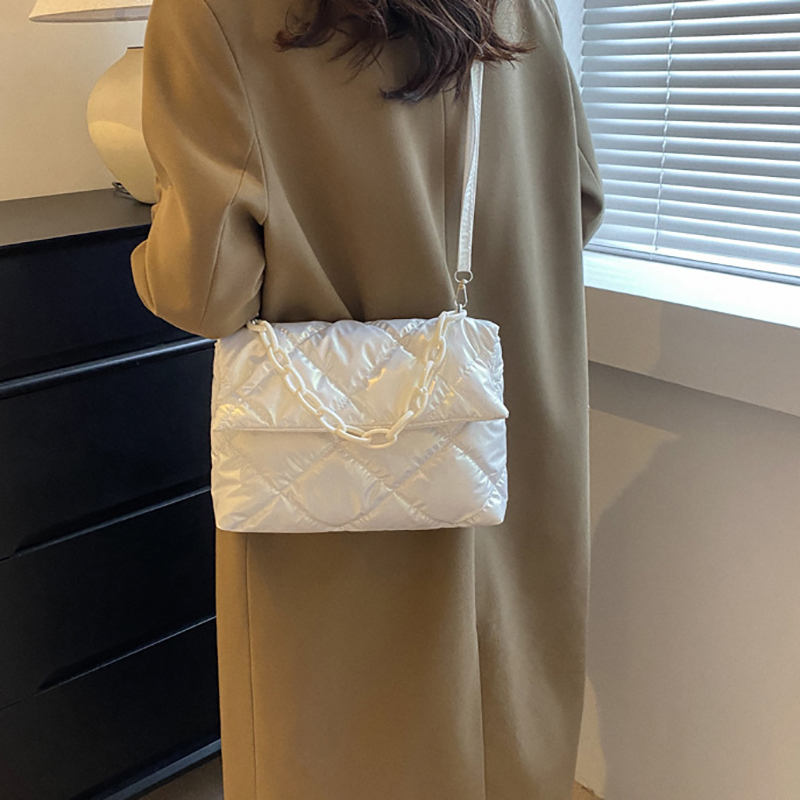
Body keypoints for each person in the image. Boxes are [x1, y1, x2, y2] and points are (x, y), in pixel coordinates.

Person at [130, 0, 605, 795]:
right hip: (517, 417)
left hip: (335, 464)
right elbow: (580, 199)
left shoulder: (210, 13)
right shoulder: (525, 8)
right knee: (509, 716)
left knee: (340, 739)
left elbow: (206, 290)